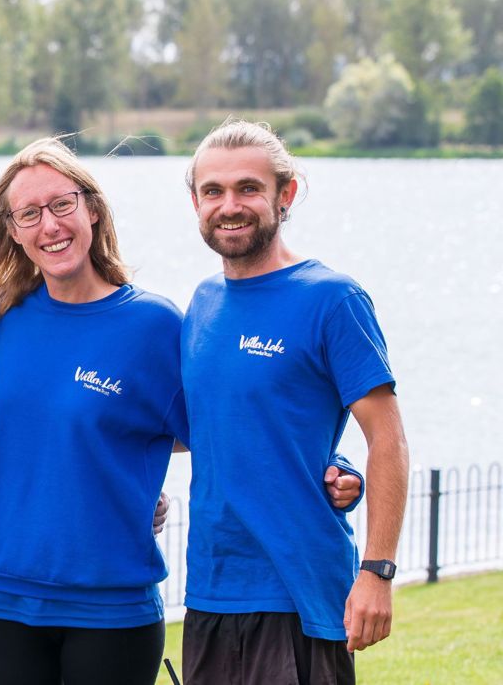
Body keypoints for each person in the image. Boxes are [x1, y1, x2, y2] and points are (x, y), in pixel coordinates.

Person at [0, 137, 366, 685]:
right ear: (12, 230)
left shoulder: (153, 325)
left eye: (63, 204)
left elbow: (223, 421)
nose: (50, 225)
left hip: (113, 608)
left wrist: (333, 464)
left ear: (91, 208)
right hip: (3, 602)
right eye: (29, 214)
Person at [180, 120, 409, 684]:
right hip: (210, 589)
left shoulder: (333, 299)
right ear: (195, 202)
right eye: (213, 191)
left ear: (286, 194)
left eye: (248, 188)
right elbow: (219, 427)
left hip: (297, 593)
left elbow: (389, 437)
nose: (229, 205)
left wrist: (377, 571)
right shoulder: (203, 302)